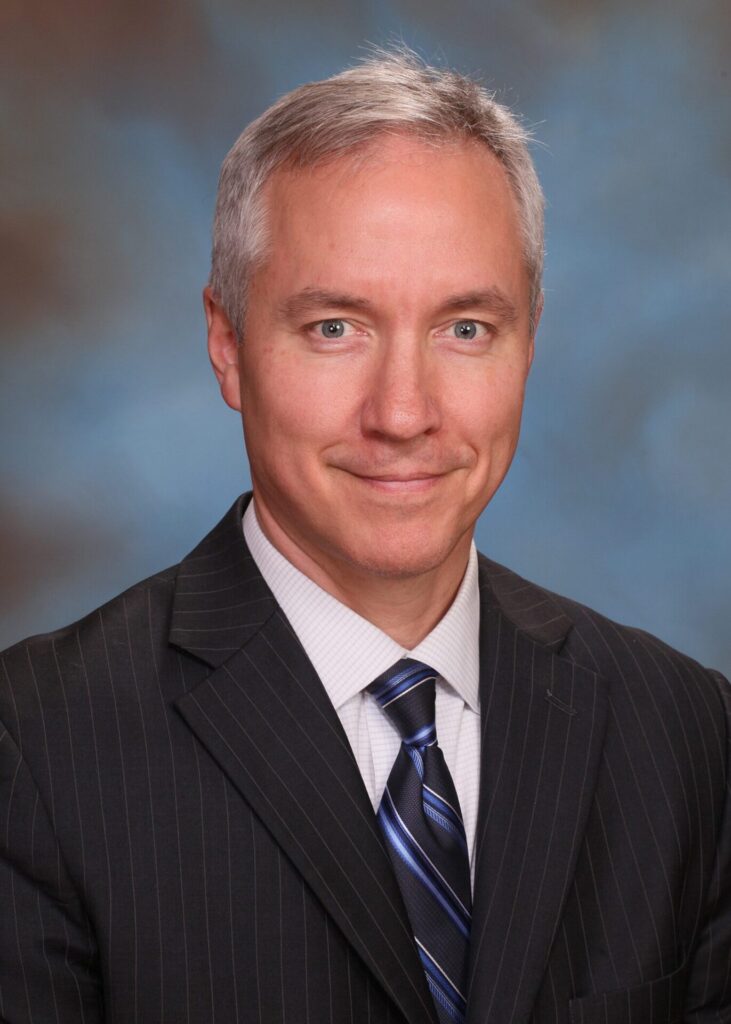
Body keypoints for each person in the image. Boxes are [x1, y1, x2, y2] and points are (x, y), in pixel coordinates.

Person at [1, 49, 728, 1024]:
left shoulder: (685, 735)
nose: (403, 412)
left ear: (528, 341)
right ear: (227, 344)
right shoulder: (36, 749)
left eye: (464, 328)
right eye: (335, 327)